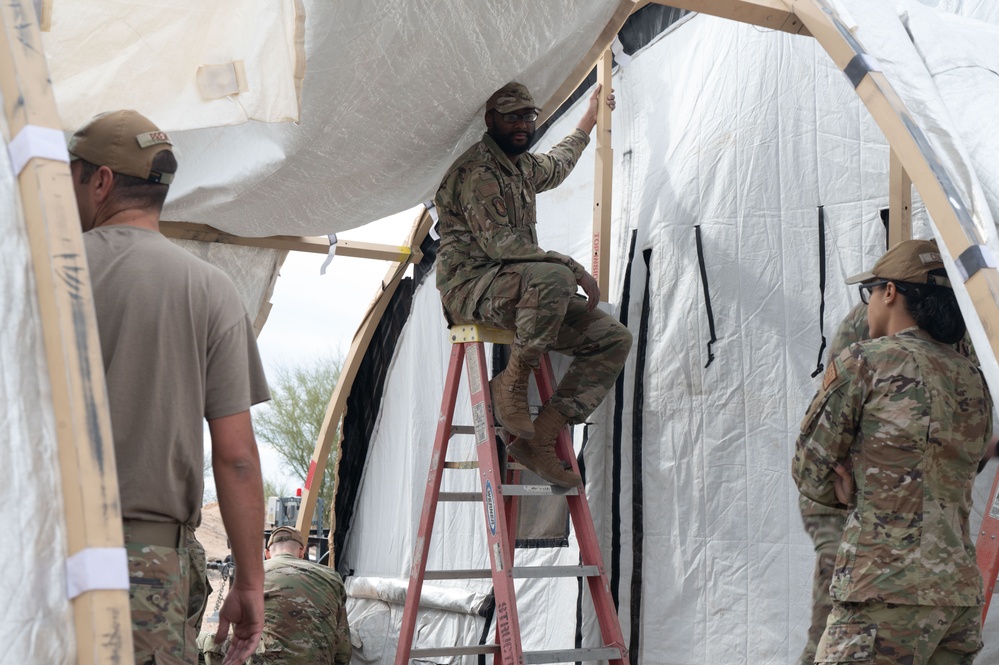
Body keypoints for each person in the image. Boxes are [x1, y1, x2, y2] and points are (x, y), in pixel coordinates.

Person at [69, 110, 270, 665]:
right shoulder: (210, 291)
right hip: (147, 564)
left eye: (72, 177)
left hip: (38, 546)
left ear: (102, 180)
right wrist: (250, 584)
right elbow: (236, 458)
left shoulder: (32, 273)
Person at [792, 238, 993, 664]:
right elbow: (965, 466)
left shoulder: (864, 361)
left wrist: (851, 488)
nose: (867, 305)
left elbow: (809, 469)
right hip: (956, 599)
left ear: (889, 292)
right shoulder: (973, 378)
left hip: (882, 590)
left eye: (870, 292)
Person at [434, 81, 632, 488]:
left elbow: (558, 163)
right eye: (512, 117)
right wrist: (572, 266)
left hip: (518, 292)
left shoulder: (521, 167)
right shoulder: (478, 172)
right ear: (491, 121)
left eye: (528, 116)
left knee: (612, 337)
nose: (522, 125)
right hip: (472, 290)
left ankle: (540, 438)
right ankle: (511, 384)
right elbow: (499, 244)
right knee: (554, 277)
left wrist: (590, 117)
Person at [796, 302, 864, 665]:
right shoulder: (871, 322)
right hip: (834, 503)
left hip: (870, 504)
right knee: (831, 631)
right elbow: (833, 426)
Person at [201, 527, 352, 665]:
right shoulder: (331, 577)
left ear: (267, 554)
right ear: (302, 551)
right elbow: (343, 648)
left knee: (209, 642)